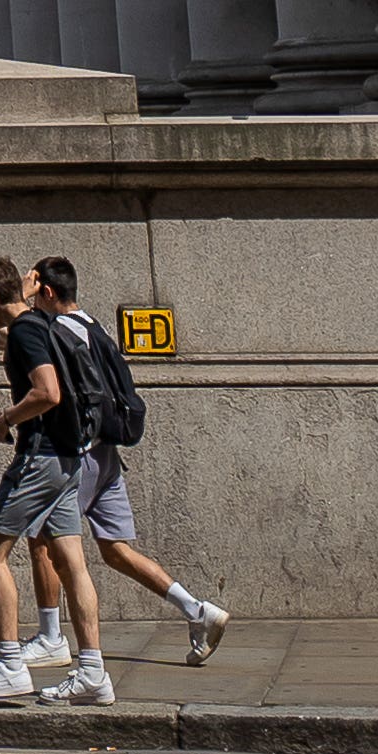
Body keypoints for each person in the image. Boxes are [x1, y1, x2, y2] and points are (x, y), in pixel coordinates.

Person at [24, 255, 229, 665]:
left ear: (46, 291)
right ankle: (197, 611)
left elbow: (10, 333)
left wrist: (23, 297)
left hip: (79, 455)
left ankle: (50, 638)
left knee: (42, 541)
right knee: (115, 550)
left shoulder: (55, 331)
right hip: (108, 454)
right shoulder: (91, 325)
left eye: (36, 288)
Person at [0, 249, 114, 704]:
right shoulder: (40, 323)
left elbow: (48, 392)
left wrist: (6, 419)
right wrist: (4, 299)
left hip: (39, 459)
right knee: (72, 563)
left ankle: (9, 665)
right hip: (68, 460)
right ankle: (93, 673)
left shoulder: (26, 333)